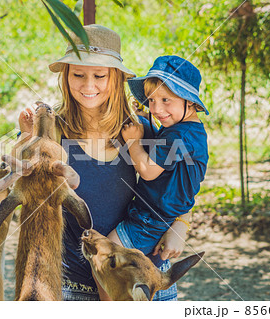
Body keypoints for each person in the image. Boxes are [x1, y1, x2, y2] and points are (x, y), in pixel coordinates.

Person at [18, 25, 187, 301]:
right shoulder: (50, 129)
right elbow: (21, 191)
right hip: (75, 286)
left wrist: (180, 224)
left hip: (143, 282)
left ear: (117, 77)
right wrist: (27, 140)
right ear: (65, 75)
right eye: (78, 74)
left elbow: (176, 186)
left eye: (99, 75)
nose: (88, 86)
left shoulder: (140, 128)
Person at [107, 55, 209, 300]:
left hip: (149, 219)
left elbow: (149, 170)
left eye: (166, 100)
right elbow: (162, 147)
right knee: (143, 271)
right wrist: (143, 116)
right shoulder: (190, 131)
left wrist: (132, 142)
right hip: (163, 217)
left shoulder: (178, 138)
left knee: (108, 257)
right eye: (152, 100)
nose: (157, 109)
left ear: (191, 103)